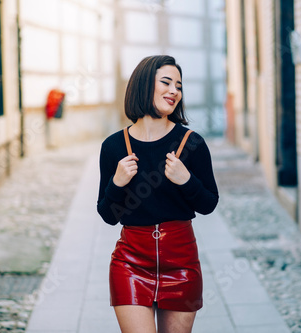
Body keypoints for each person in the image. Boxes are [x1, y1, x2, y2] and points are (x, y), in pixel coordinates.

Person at [97, 55, 219, 333]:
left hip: (181, 261)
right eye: (166, 82)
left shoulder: (192, 144)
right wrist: (116, 182)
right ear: (143, 86)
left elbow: (209, 204)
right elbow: (108, 216)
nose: (174, 90)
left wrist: (186, 180)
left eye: (178, 85)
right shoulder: (114, 146)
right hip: (130, 262)